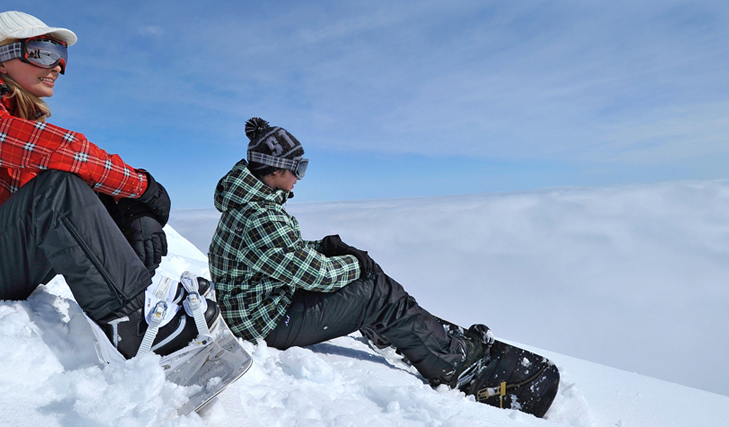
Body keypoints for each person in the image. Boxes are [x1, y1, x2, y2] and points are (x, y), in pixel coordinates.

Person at [0, 11, 217, 361]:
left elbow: (75, 186)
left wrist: (131, 210)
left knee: (82, 191)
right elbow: (62, 152)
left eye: (61, 58)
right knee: (56, 188)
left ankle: (143, 304)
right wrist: (141, 186)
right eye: (43, 53)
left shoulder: (8, 117)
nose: (57, 67)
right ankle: (132, 330)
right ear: (2, 58)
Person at [206, 118, 561, 417]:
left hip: (263, 305)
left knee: (372, 285)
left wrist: (328, 250)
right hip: (268, 323)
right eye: (299, 168)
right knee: (375, 292)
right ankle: (461, 367)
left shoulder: (250, 203)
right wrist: (353, 262)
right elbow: (317, 275)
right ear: (275, 170)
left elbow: (281, 257)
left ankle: (429, 338)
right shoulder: (261, 216)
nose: (300, 176)